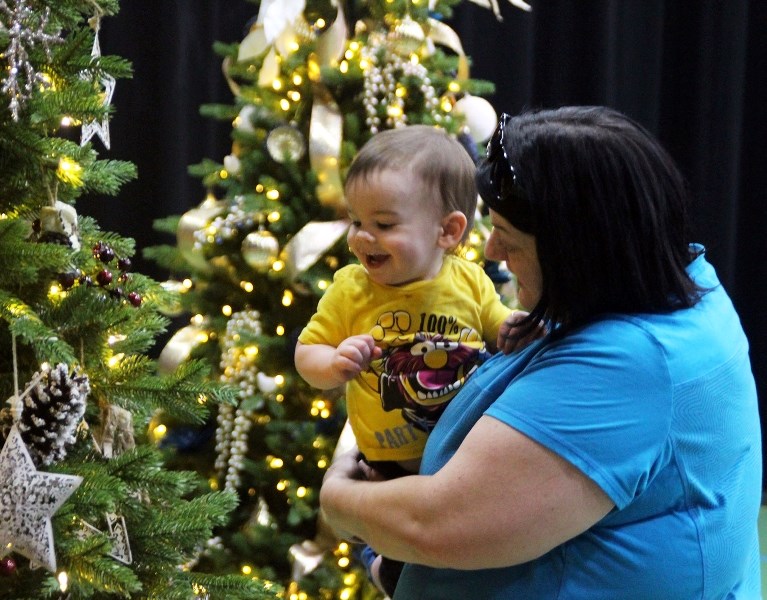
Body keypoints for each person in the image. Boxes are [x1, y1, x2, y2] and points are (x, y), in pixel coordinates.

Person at [318, 106, 762, 599]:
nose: (490, 252)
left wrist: (339, 496)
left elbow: (439, 525)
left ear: (573, 246)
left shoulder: (631, 364)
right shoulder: (678, 284)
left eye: (507, 237)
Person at [294, 124, 527, 596]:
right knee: (406, 560)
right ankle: (384, 566)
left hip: (463, 455)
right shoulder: (350, 290)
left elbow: (498, 326)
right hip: (387, 466)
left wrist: (515, 328)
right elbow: (306, 353)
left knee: (464, 554)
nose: (363, 238)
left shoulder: (469, 282)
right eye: (357, 222)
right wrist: (335, 362)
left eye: (384, 224)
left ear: (448, 230)